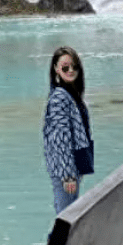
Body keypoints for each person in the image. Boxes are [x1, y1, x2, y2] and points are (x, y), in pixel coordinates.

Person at [43, 46, 94, 214]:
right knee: (66, 217)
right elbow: (61, 138)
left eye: (74, 66)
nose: (70, 70)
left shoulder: (70, 94)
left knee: (69, 215)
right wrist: (68, 175)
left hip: (73, 166)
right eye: (65, 67)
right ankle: (58, 242)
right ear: (56, 69)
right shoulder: (59, 97)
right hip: (66, 170)